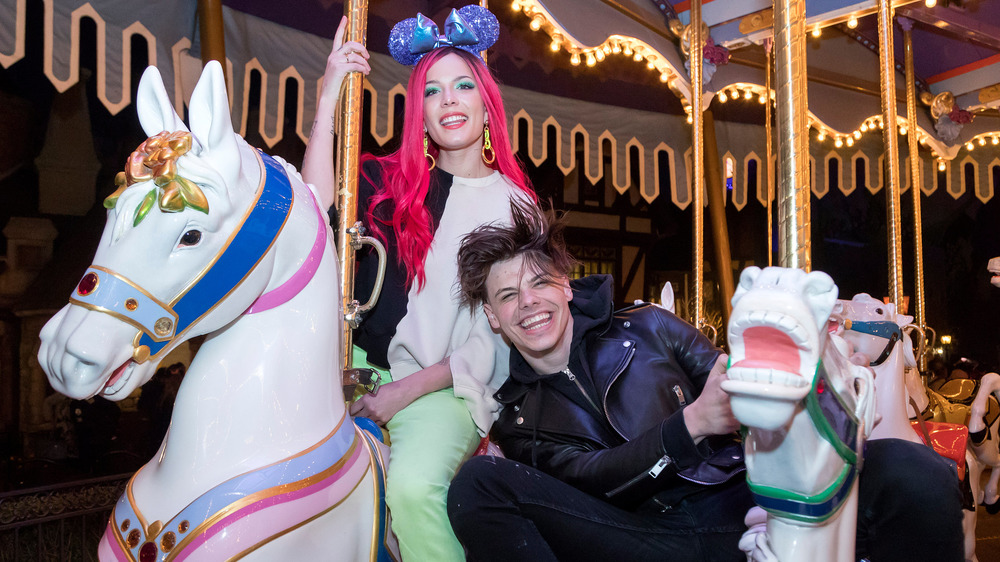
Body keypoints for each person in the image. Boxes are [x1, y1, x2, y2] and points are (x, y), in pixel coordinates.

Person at [448, 202, 965, 561]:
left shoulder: (647, 324)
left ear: (565, 287)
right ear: (494, 317)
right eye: (509, 295)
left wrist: (758, 377)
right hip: (644, 538)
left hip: (739, 497)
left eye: (540, 282)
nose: (529, 302)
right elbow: (592, 477)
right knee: (478, 485)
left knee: (912, 468)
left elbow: (723, 372)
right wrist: (691, 422)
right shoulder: (517, 415)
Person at [300, 6, 536, 561]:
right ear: (419, 112)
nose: (448, 100)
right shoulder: (391, 181)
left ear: (485, 102)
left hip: (443, 388)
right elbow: (313, 212)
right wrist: (329, 94)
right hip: (356, 365)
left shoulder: (517, 207)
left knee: (411, 489)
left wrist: (403, 391)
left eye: (461, 86)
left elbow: (497, 339)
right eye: (432, 91)